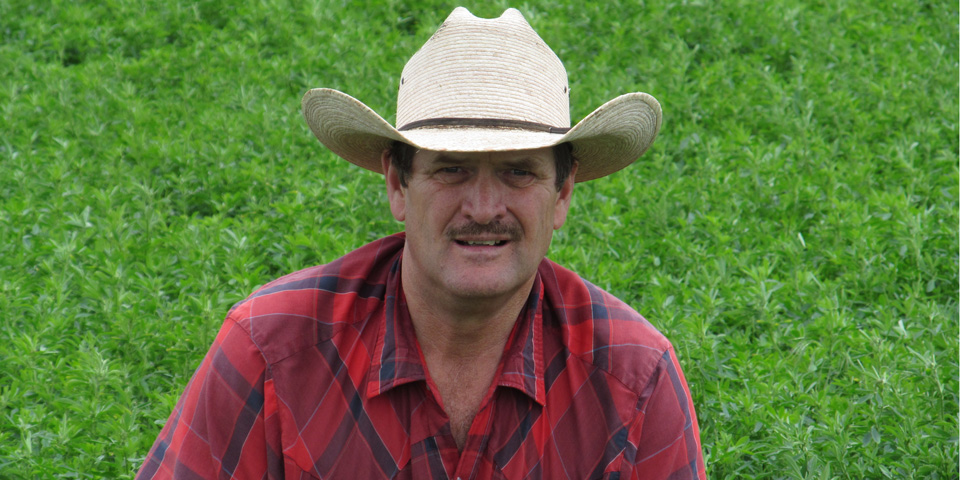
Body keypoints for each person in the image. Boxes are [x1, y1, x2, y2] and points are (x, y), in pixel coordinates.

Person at [137, 7, 706, 480]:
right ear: (397, 184)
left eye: (518, 173)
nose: (483, 210)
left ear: (562, 194)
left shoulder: (633, 376)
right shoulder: (271, 351)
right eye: (451, 170)